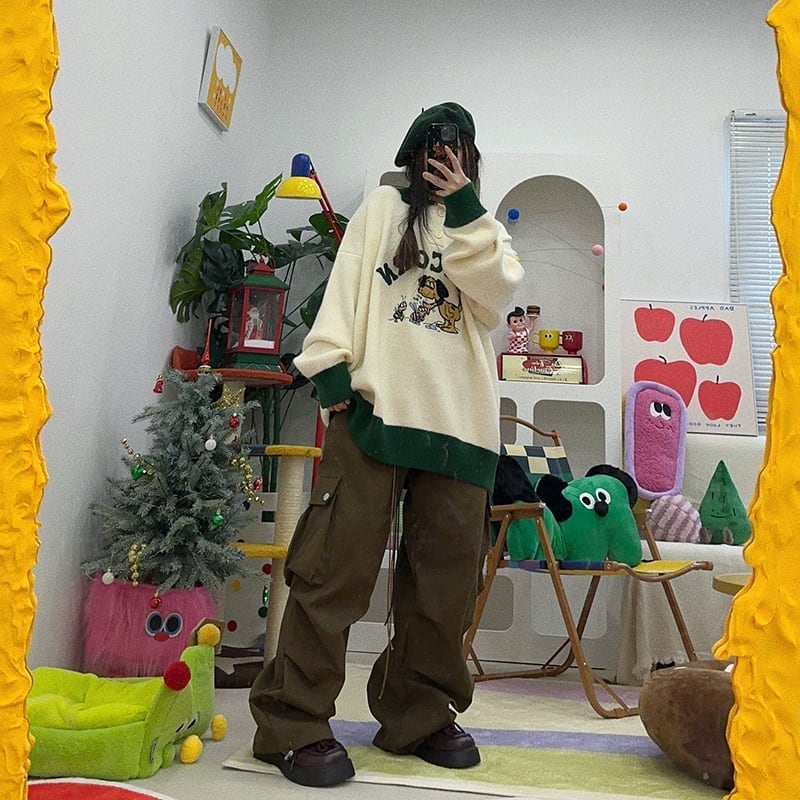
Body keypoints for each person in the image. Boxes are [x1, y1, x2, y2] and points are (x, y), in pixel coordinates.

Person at [248, 101, 523, 788]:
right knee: (333, 570)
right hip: (374, 411)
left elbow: (496, 298)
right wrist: (329, 366)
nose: (444, 156)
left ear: (471, 158)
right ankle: (292, 723)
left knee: (444, 585)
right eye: (433, 145)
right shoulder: (381, 209)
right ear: (412, 153)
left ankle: (418, 714)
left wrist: (464, 207)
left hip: (460, 427)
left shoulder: (482, 230)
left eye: (457, 147)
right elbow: (346, 287)